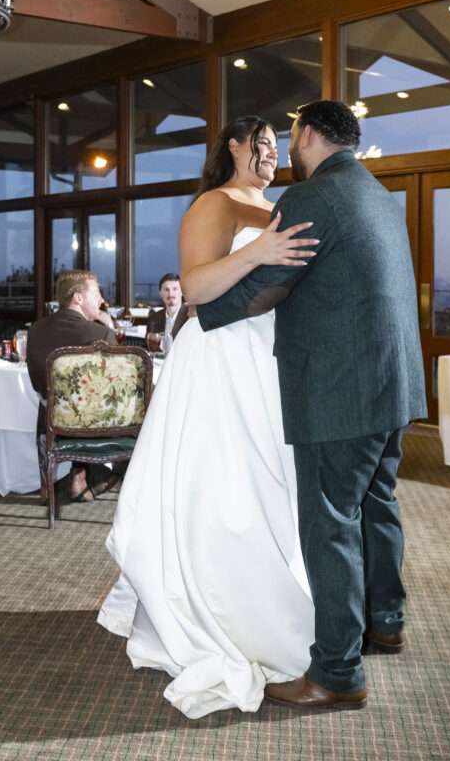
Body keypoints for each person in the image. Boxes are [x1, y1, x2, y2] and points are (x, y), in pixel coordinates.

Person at [197, 100, 427, 710]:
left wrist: (207, 315)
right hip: (394, 383)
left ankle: (336, 674)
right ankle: (387, 620)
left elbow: (273, 286)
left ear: (303, 135)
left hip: (339, 389)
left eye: (286, 137)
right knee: (377, 503)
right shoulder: (378, 193)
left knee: (330, 525)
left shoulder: (311, 198)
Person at [98, 116, 319, 718]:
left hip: (266, 355)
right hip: (221, 354)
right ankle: (212, 610)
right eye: (263, 143)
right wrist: (263, 253)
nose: (271, 153)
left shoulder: (270, 204)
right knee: (224, 486)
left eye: (277, 145)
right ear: (234, 146)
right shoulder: (214, 203)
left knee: (272, 483)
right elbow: (195, 288)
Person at [27, 269, 118, 502]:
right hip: (94, 425)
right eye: (96, 293)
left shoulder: (35, 330)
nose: (101, 300)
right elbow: (116, 387)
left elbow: (36, 382)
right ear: (78, 298)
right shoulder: (101, 333)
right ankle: (95, 480)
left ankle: (64, 480)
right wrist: (109, 325)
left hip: (52, 420)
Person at [145, 273, 189, 340]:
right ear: (160, 293)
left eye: (175, 289)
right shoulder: (153, 318)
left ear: (182, 292)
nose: (170, 294)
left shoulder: (190, 317)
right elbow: (149, 345)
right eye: (166, 289)